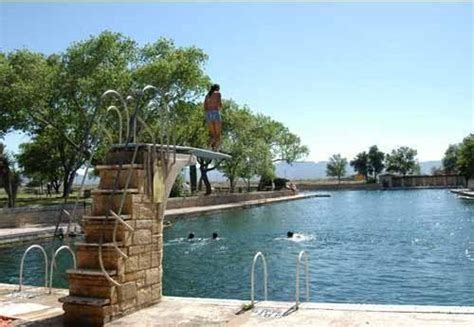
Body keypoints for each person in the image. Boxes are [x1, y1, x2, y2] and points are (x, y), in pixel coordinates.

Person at [204, 84, 222, 150]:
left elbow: (205, 106)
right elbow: (219, 104)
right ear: (217, 88)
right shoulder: (218, 93)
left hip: (208, 114)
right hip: (215, 112)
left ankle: (208, 147)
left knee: (212, 134)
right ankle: (216, 149)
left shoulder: (207, 95)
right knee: (218, 134)